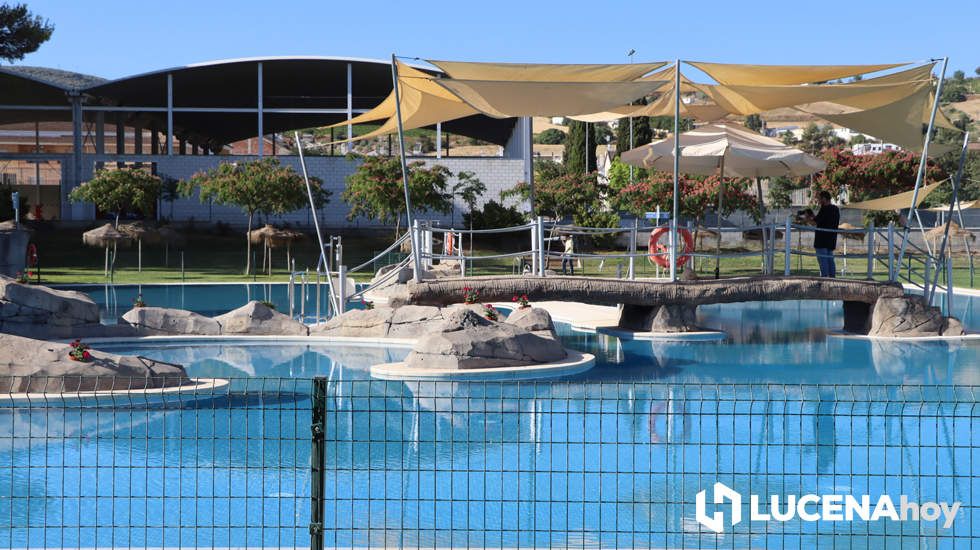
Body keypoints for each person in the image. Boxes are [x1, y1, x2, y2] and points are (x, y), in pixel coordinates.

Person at [808, 190, 840, 278]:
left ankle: (825, 280)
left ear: (824, 199)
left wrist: (806, 219)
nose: (818, 201)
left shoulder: (824, 209)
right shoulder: (835, 209)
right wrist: (813, 217)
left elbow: (815, 223)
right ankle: (832, 280)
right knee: (830, 260)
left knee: (823, 261)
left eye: (819, 199)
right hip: (831, 239)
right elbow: (820, 220)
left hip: (821, 240)